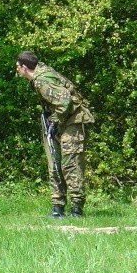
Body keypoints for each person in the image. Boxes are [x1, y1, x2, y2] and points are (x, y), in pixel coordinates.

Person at [15, 51, 94, 217]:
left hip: (73, 122)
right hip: (63, 123)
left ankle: (76, 209)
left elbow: (64, 100)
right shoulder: (41, 75)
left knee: (70, 164)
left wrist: (55, 120)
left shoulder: (42, 80)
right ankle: (57, 208)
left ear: (24, 67)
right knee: (55, 164)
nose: (17, 71)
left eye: (17, 67)